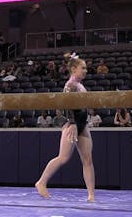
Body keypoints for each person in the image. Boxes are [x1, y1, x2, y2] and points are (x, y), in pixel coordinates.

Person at [36, 52, 95, 202]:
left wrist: (80, 124)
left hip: (82, 125)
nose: (86, 71)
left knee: (88, 160)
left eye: (86, 68)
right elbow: (67, 104)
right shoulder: (70, 85)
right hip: (72, 124)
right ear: (74, 69)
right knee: (63, 158)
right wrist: (73, 123)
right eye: (83, 68)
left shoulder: (79, 85)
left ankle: (91, 195)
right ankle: (41, 182)